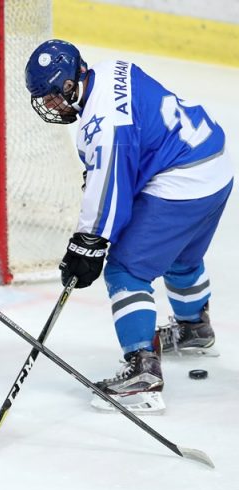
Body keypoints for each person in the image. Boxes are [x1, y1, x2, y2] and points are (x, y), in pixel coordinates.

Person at [24, 40, 233, 413]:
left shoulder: (102, 124)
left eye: (55, 95)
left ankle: (142, 374)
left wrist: (88, 242)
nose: (52, 105)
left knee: (126, 269)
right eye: (45, 99)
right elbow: (126, 157)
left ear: (72, 82)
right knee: (181, 255)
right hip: (214, 166)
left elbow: (111, 191)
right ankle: (194, 329)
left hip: (182, 181)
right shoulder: (108, 70)